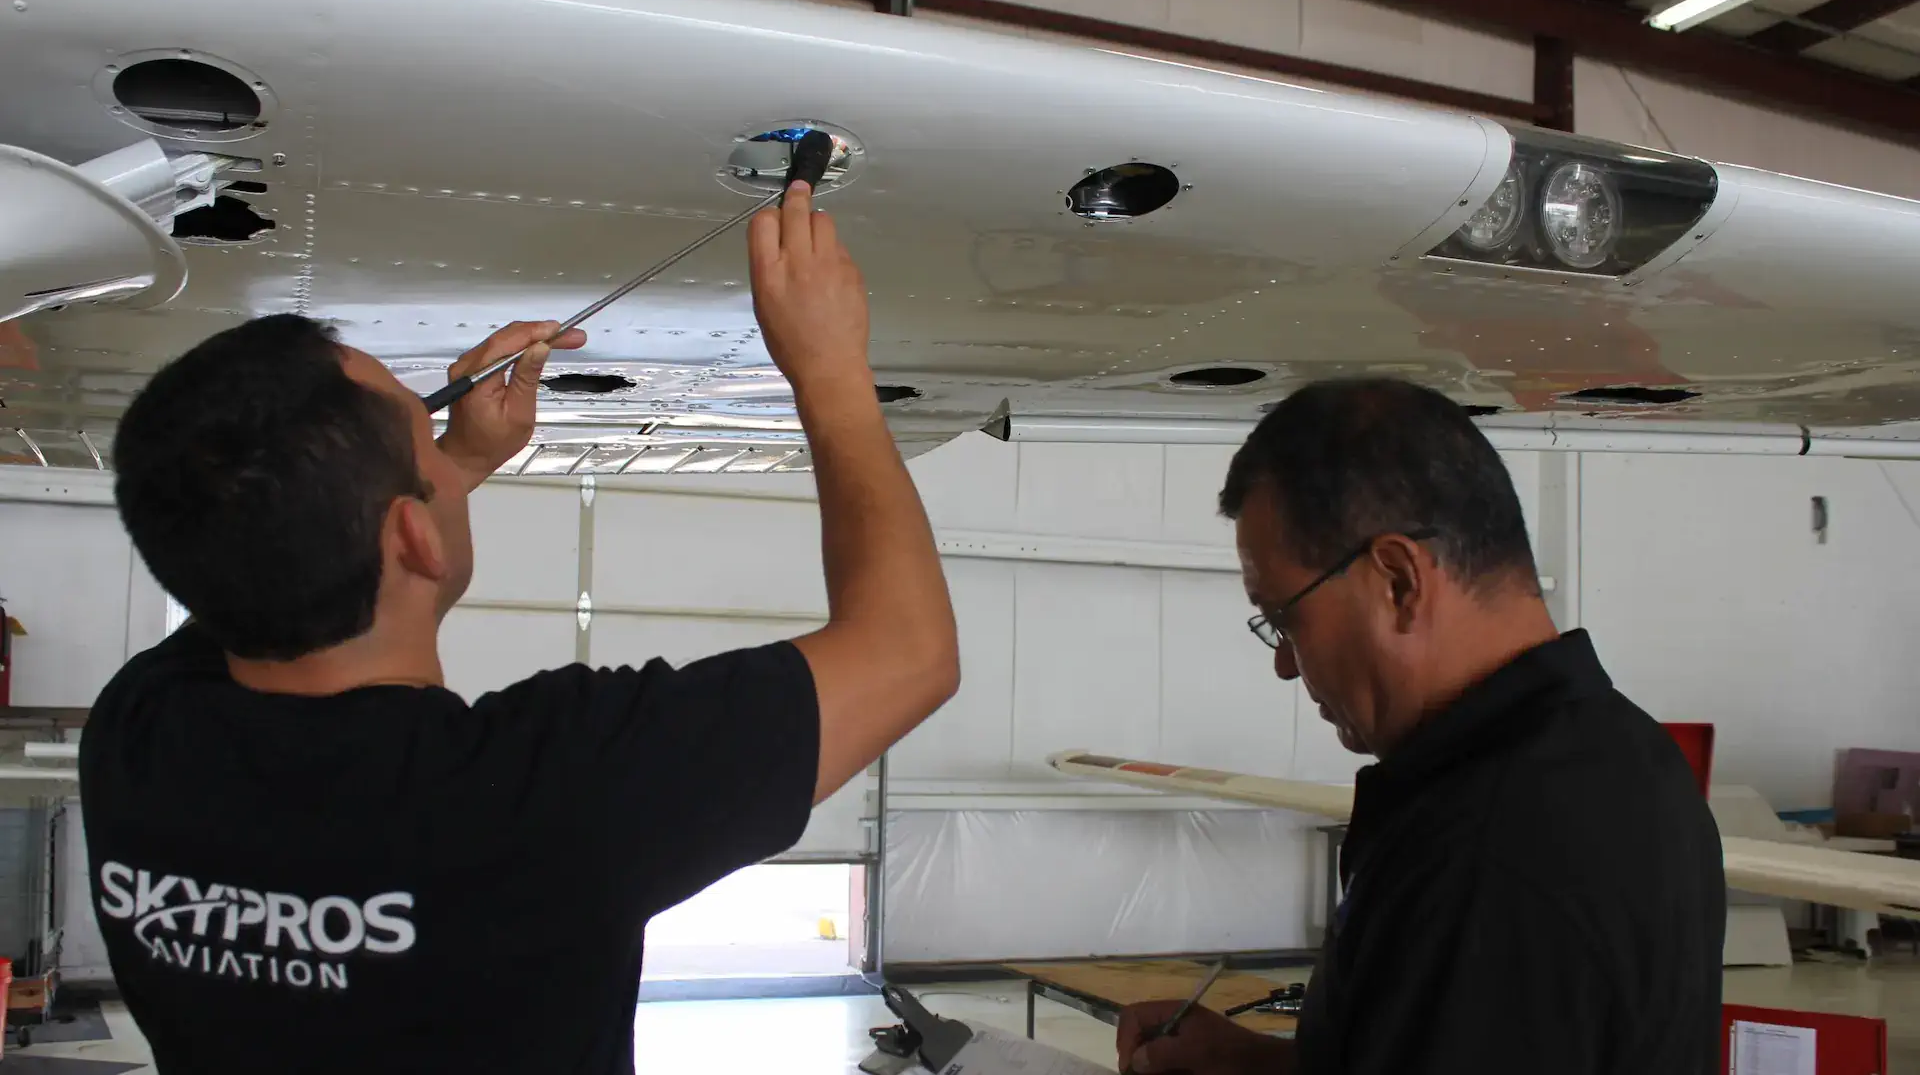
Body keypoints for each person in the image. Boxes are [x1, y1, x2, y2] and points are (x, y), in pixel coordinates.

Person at [79, 180, 959, 1074]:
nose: (440, 425)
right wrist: (830, 369)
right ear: (413, 535)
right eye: (426, 425)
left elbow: (261, 555)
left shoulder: (142, 735)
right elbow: (909, 651)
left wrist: (451, 462)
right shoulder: (548, 795)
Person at [1116, 379, 1725, 1074]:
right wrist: (1253, 1064)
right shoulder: (1624, 751)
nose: (1286, 665)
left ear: (1399, 580)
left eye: (1286, 618)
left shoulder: (1488, 854)